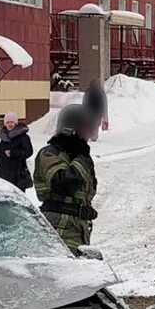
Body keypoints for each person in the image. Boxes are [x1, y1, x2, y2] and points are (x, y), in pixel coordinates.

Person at [34, 103, 98, 251]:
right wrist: (81, 157)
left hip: (78, 228)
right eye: (86, 128)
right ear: (72, 129)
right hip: (59, 229)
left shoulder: (77, 156)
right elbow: (64, 184)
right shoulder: (49, 154)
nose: (88, 135)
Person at [0, 112, 34, 191]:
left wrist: (13, 153)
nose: (10, 124)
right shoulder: (3, 137)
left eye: (12, 122)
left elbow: (29, 151)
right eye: (8, 122)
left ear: (15, 123)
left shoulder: (23, 137)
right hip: (3, 173)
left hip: (17, 173)